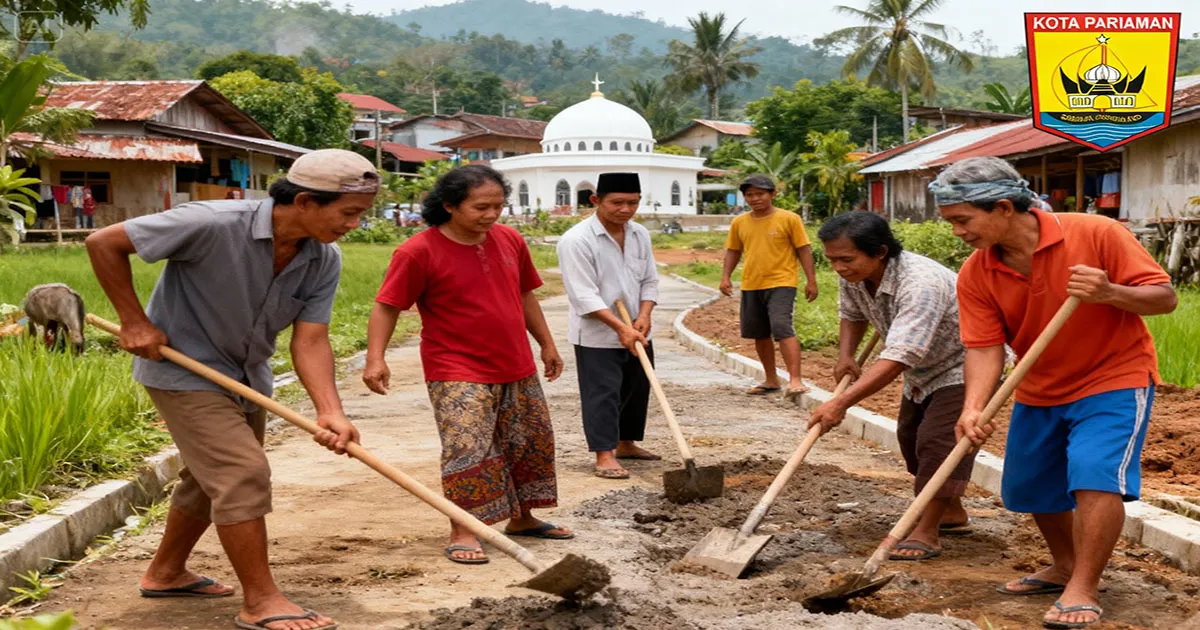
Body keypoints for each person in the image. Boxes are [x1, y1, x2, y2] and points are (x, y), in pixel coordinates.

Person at [85, 148, 379, 630]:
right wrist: (134, 321)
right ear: (305, 201)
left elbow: (311, 339)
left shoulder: (323, 257)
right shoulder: (213, 222)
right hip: (183, 372)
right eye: (348, 213)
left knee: (208, 479)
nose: (354, 225)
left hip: (246, 377)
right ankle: (261, 600)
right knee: (241, 473)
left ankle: (166, 572)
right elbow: (102, 242)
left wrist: (330, 411)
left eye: (360, 215)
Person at [932, 157, 1177, 630]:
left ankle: (1083, 586)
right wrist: (974, 407)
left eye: (963, 220)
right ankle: (1064, 564)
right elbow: (983, 347)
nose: (957, 232)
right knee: (1030, 485)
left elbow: (1164, 297)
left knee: (1094, 474)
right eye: (952, 223)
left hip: (1114, 375)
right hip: (1040, 383)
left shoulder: (1096, 234)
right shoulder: (976, 273)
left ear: (1003, 207)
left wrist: (1110, 293)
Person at [362, 164, 570, 566]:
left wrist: (546, 344)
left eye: (498, 206)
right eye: (481, 207)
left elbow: (526, 295)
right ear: (450, 206)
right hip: (455, 366)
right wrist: (375, 358)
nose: (492, 215)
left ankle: (523, 518)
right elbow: (387, 306)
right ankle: (464, 528)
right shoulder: (417, 251)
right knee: (468, 448)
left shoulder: (509, 239)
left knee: (527, 440)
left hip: (516, 362)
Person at [808, 211, 975, 562]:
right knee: (910, 437)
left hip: (966, 363)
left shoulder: (920, 282)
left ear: (880, 252)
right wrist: (846, 356)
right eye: (832, 259)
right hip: (922, 370)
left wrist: (841, 403)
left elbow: (901, 354)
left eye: (846, 259)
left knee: (938, 442)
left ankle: (926, 530)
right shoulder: (854, 274)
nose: (838, 267)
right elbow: (852, 314)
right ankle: (951, 511)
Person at [557, 172, 660, 480]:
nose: (625, 209)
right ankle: (604, 454)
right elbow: (583, 295)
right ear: (596, 200)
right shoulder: (576, 240)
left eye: (633, 202)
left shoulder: (640, 234)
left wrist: (645, 315)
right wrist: (620, 327)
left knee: (636, 388)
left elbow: (650, 280)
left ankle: (626, 443)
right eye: (617, 202)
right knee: (603, 393)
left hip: (638, 329)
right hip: (597, 334)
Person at [720, 174, 819, 400]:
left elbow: (803, 249)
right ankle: (771, 379)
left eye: (760, 194)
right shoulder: (740, 222)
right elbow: (733, 251)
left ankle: (795, 379)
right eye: (750, 195)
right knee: (759, 333)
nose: (755, 199)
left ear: (772, 194)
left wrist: (811, 280)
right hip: (752, 283)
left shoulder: (789, 219)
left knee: (782, 327)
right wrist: (725, 276)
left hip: (782, 282)